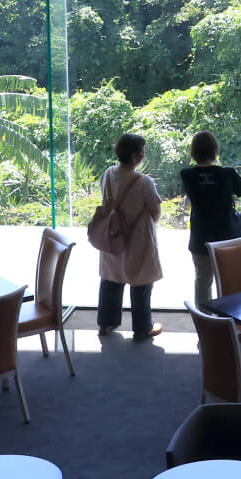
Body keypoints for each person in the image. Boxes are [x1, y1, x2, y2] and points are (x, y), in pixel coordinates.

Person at [96, 132, 163, 339]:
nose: (144, 155)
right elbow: (155, 210)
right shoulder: (143, 182)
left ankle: (106, 323)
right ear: (134, 156)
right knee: (141, 282)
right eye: (142, 152)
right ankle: (142, 328)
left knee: (111, 278)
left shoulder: (108, 173)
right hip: (138, 239)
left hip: (112, 235)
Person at [180, 130, 241, 308]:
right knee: (228, 280)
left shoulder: (187, 175)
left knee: (202, 280)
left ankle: (205, 320)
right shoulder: (227, 174)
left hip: (200, 236)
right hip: (227, 237)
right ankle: (229, 317)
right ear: (215, 151)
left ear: (193, 153)